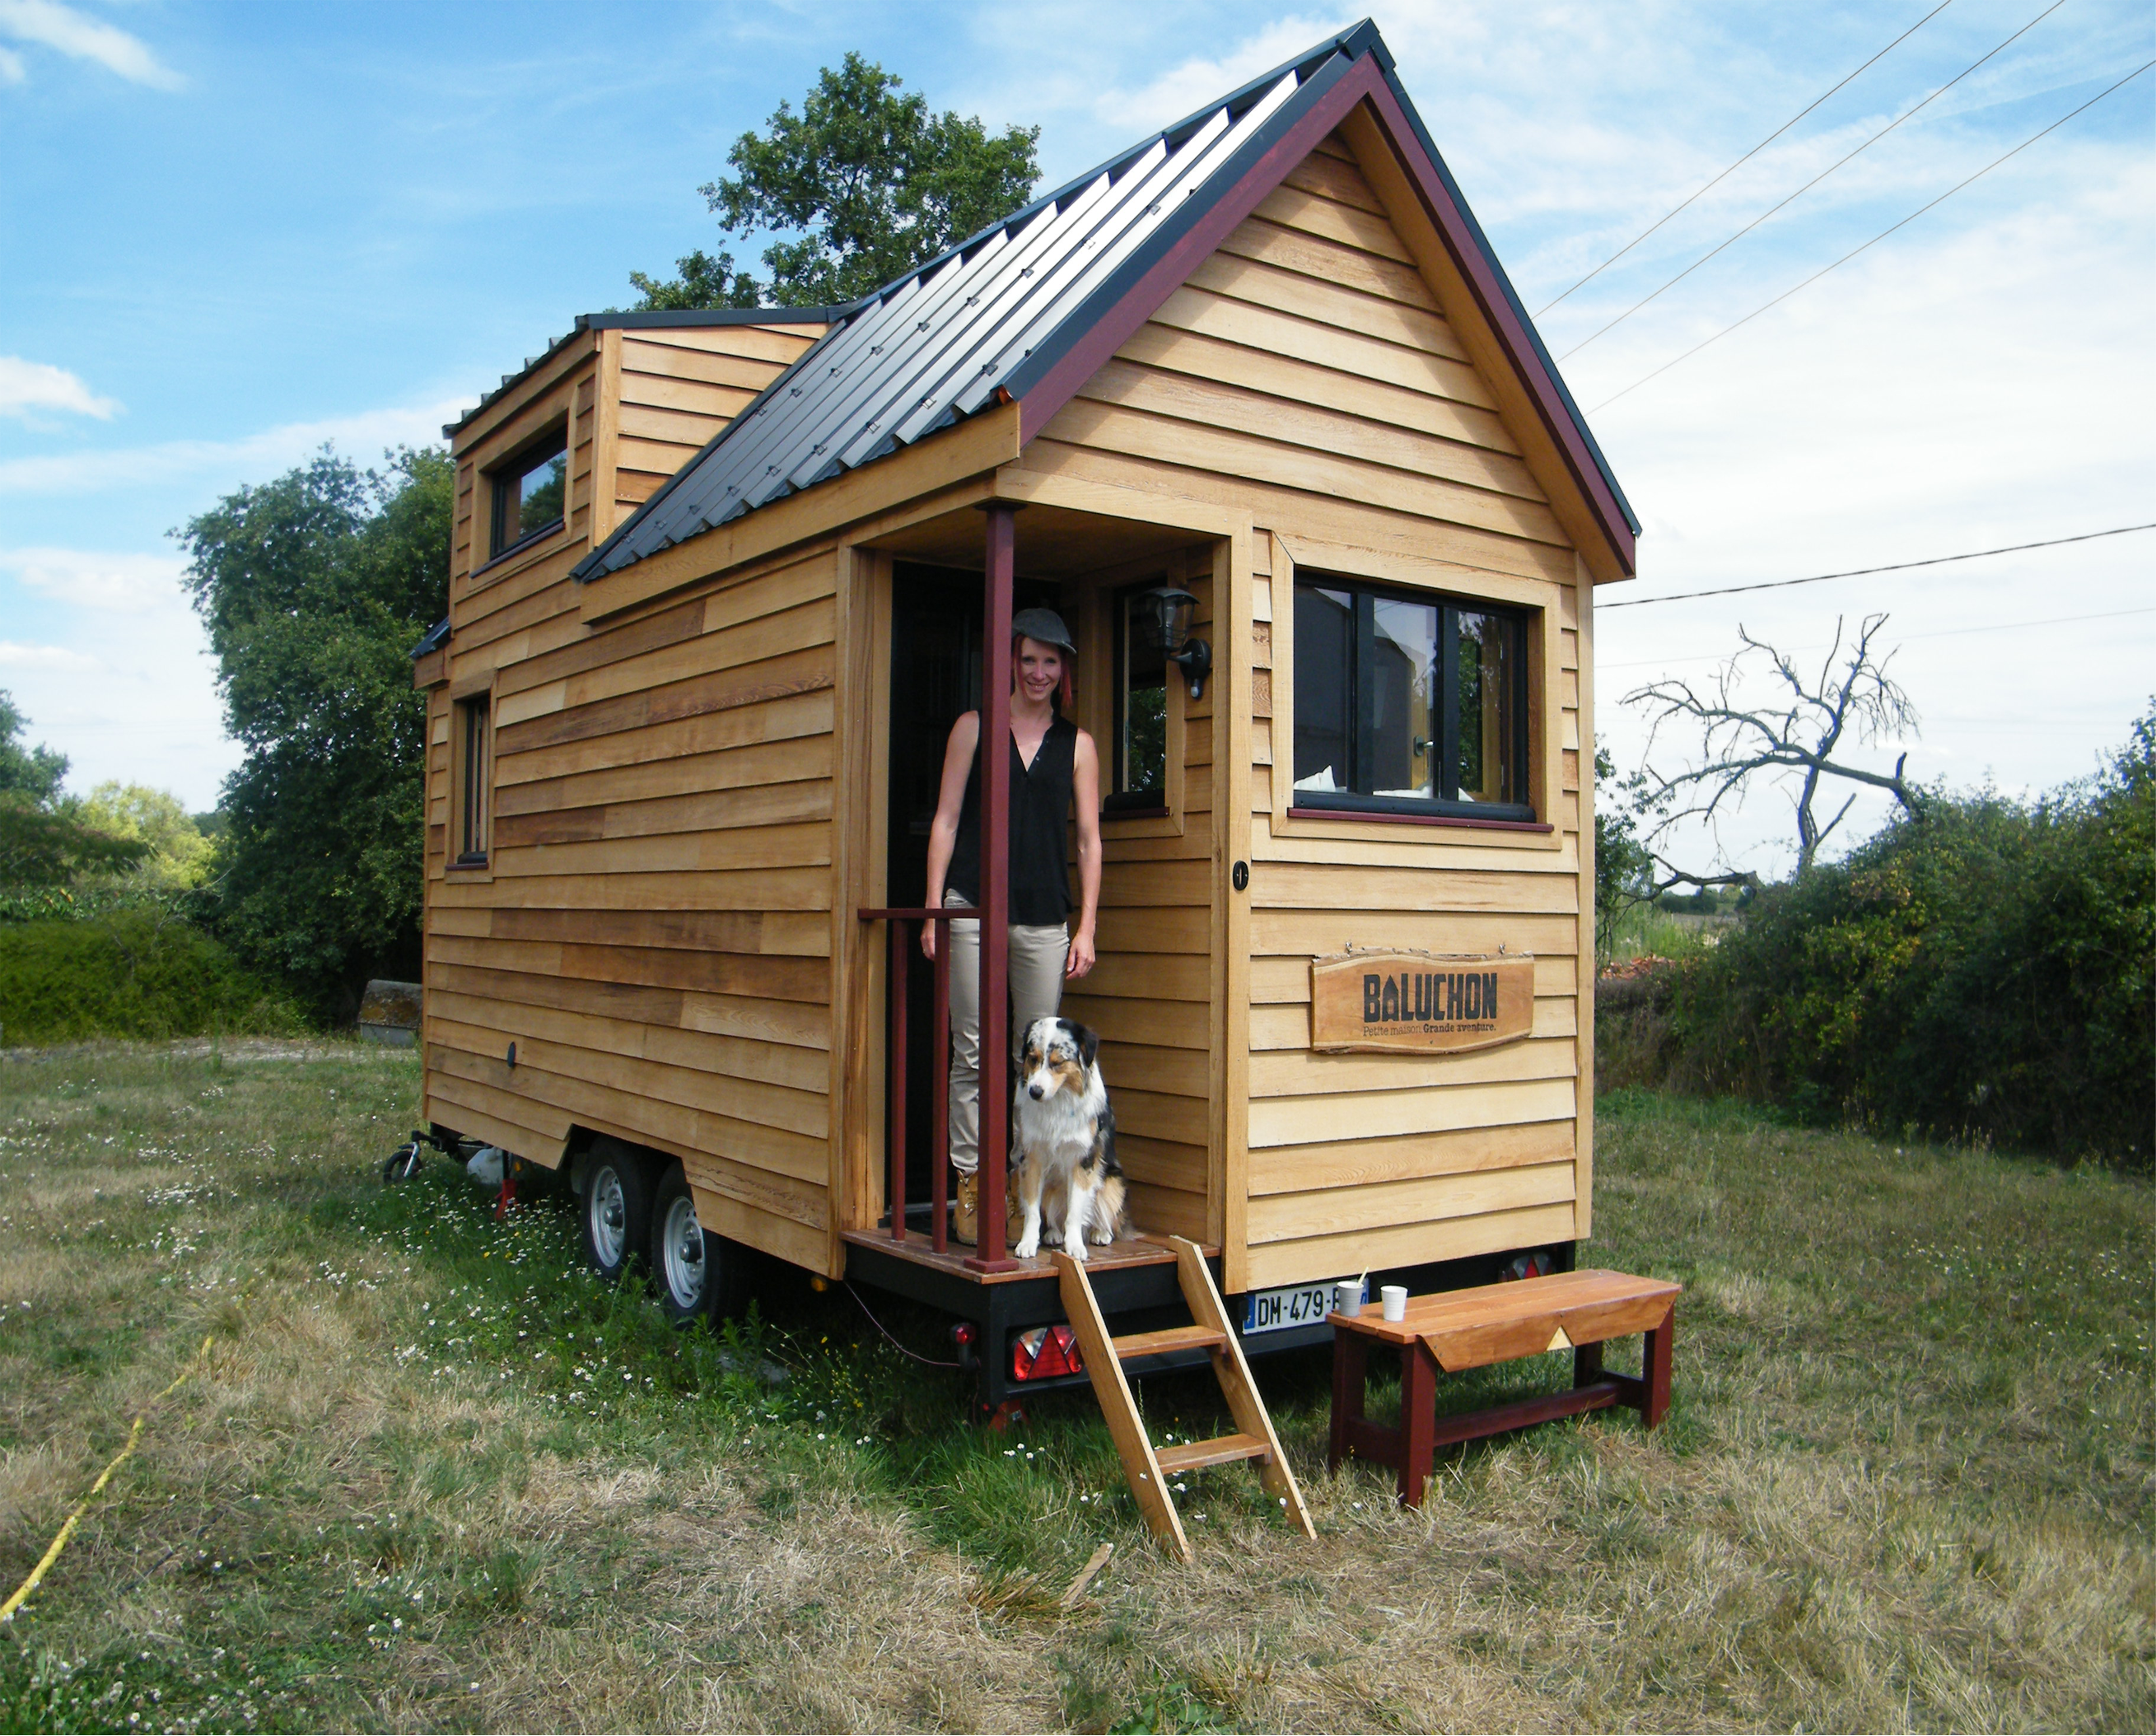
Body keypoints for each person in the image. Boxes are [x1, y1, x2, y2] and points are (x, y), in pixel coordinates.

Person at [922, 607, 1101, 1244]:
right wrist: (934, 910)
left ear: (1064, 670)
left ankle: (1024, 1184)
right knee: (971, 1051)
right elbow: (944, 821)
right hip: (970, 909)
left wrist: (1086, 928)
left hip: (1045, 919)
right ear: (1010, 661)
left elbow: (1087, 840)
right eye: (1028, 659)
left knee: (1039, 1066)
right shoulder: (974, 729)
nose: (1039, 672)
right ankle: (971, 1186)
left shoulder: (1078, 745)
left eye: (1051, 662)